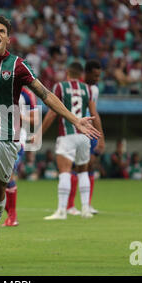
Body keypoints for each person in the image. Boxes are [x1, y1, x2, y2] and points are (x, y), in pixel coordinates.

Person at [0, 16, 100, 263]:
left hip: (9, 137)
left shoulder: (18, 65)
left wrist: (74, 119)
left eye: (2, 31)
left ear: (8, 39)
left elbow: (46, 94)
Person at [39, 61, 103, 221]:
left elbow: (53, 113)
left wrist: (39, 132)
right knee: (83, 171)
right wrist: (100, 136)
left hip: (67, 134)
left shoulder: (60, 87)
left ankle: (61, 211)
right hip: (84, 134)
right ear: (81, 75)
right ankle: (86, 209)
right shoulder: (87, 89)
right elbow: (95, 113)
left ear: (67, 72)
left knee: (65, 171)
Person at [66, 60, 105, 216]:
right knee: (76, 167)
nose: (97, 79)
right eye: (95, 75)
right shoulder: (77, 87)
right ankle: (70, 205)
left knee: (90, 165)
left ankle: (86, 204)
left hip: (90, 130)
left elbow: (94, 113)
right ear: (86, 73)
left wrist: (100, 136)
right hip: (76, 130)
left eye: (99, 76)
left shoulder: (94, 89)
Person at [3, 86, 38, 227]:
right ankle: (9, 214)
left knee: (8, 174)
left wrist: (18, 116)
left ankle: (12, 216)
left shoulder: (27, 94)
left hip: (17, 140)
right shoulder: (1, 87)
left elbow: (34, 120)